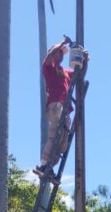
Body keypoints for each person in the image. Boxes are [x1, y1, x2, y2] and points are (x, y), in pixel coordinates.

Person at [34, 36, 88, 179]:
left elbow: (79, 75)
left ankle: (49, 168)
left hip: (65, 109)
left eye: (61, 53)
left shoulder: (64, 72)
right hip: (56, 106)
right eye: (58, 52)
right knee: (54, 136)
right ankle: (43, 164)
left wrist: (85, 61)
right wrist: (63, 43)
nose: (60, 55)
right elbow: (49, 56)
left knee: (62, 143)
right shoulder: (48, 68)